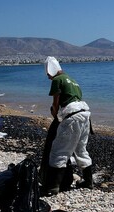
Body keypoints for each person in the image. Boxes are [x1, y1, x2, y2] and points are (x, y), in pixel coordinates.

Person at [41, 56, 93, 196]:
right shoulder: (74, 81)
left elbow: (56, 103)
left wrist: (55, 116)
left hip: (71, 117)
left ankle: (53, 187)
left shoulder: (58, 80)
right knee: (80, 150)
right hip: (85, 116)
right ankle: (88, 182)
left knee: (59, 151)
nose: (48, 77)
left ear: (50, 70)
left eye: (47, 74)